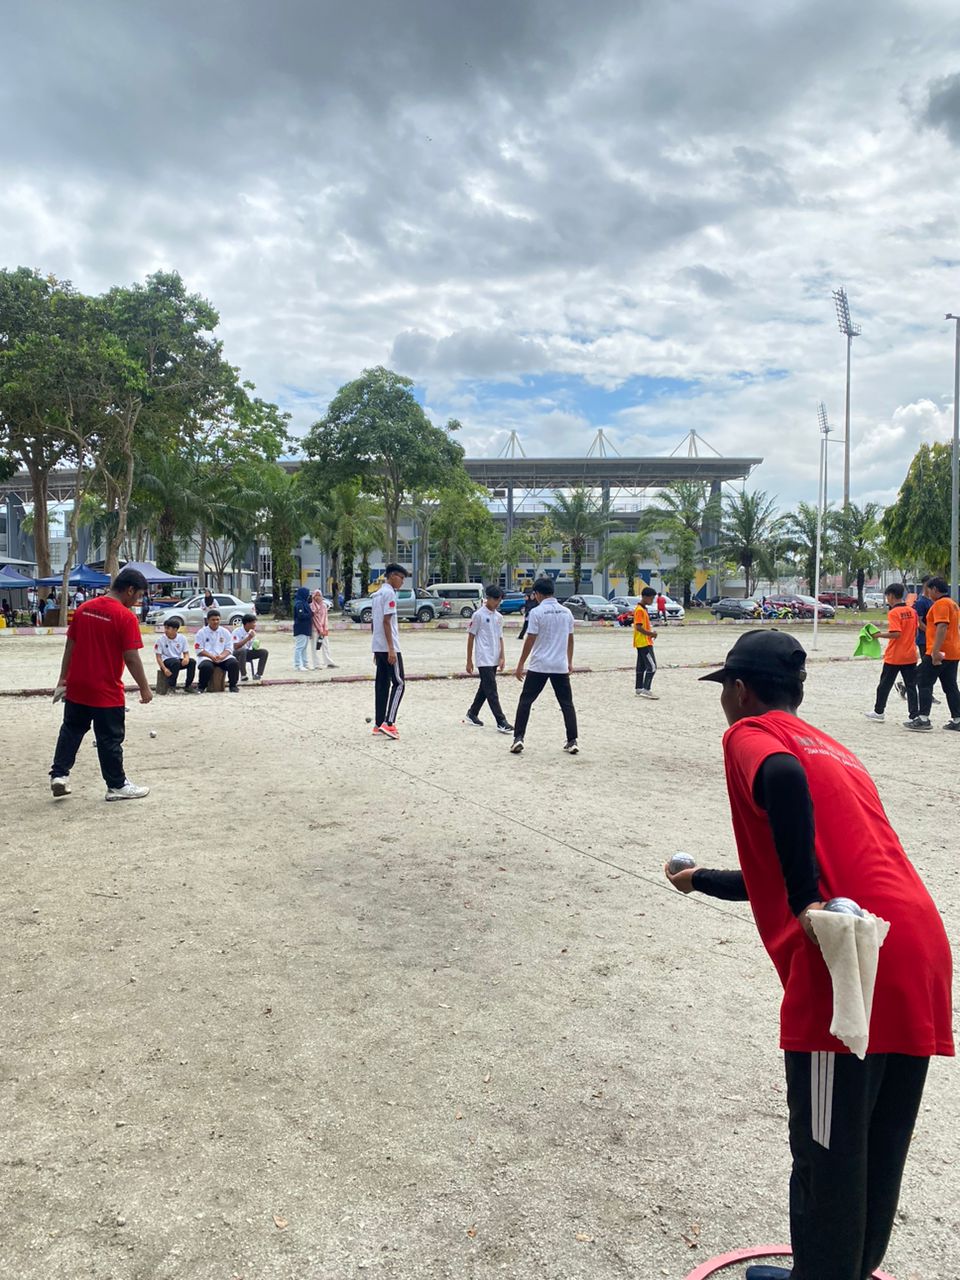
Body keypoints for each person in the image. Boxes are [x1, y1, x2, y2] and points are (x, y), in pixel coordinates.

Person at [665, 630, 953, 1280]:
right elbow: (818, 862)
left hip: (847, 959)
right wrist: (705, 878)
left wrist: (803, 905)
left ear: (739, 691)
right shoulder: (838, 753)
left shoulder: (753, 736)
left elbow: (782, 782)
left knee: (827, 1157)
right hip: (915, 946)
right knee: (878, 1152)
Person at [48, 567, 153, 801]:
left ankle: (59, 775)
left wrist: (63, 679)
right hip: (106, 690)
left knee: (71, 731)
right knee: (109, 738)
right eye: (138, 596)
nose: (137, 602)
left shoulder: (84, 609)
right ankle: (116, 786)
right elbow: (131, 657)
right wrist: (145, 688)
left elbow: (70, 647)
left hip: (77, 685)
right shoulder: (125, 617)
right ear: (129, 590)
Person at [511, 576, 578, 755]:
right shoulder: (566, 612)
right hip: (559, 664)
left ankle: (518, 738)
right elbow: (570, 639)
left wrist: (520, 663)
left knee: (525, 701)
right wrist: (569, 661)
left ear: (538, 594)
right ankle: (572, 740)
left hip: (540, 665)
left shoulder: (537, 612)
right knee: (566, 704)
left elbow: (530, 638)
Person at [905, 575, 960, 731]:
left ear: (935, 590)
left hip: (939, 651)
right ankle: (958, 719)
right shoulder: (953, 604)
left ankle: (923, 718)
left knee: (924, 682)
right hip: (953, 652)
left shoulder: (941, 604)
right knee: (950, 686)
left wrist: (935, 651)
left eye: (929, 590)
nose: (927, 593)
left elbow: (942, 626)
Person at [863, 582, 919, 723]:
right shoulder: (912, 611)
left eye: (887, 596)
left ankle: (879, 711)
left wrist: (878, 635)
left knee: (884, 685)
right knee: (911, 686)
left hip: (895, 656)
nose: (887, 599)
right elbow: (915, 631)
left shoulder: (894, 612)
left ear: (892, 596)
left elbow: (896, 633)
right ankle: (914, 715)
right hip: (910, 654)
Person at [464, 584, 513, 734]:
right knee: (491, 689)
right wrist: (469, 660)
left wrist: (502, 656)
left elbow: (500, 637)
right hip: (483, 657)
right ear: (489, 599)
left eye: (500, 600)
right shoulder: (478, 615)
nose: (498, 603)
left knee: (485, 688)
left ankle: (472, 713)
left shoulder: (499, 617)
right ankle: (501, 721)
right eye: (496, 600)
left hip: (494, 656)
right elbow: (471, 636)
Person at [370, 564, 407, 739]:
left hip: (379, 646)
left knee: (382, 684)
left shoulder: (377, 594)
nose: (402, 581)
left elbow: (374, 623)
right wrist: (391, 649)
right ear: (392, 576)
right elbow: (386, 622)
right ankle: (389, 723)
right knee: (399, 683)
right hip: (389, 647)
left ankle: (378, 724)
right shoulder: (389, 593)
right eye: (401, 577)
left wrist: (376, 649)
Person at [194, 608, 241, 692]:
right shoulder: (201, 632)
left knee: (234, 663)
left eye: (217, 619)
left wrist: (222, 656)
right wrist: (211, 656)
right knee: (206, 667)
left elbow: (229, 648)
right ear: (208, 620)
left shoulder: (225, 632)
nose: (215, 622)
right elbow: (199, 649)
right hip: (207, 657)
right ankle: (201, 687)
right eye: (213, 620)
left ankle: (233, 685)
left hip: (222, 657)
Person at [154, 618, 197, 693]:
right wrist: (164, 669)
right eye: (165, 628)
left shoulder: (182, 638)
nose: (165, 630)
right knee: (175, 662)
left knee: (192, 662)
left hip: (177, 660)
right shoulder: (160, 640)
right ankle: (172, 686)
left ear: (175, 629)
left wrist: (186, 658)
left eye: (168, 628)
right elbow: (158, 657)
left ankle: (188, 686)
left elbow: (186, 652)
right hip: (166, 661)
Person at [633, 585, 659, 699]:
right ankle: (646, 689)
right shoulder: (639, 610)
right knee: (652, 666)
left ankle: (639, 688)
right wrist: (651, 634)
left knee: (641, 666)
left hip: (641, 641)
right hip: (644, 642)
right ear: (645, 597)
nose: (652, 601)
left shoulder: (642, 609)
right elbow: (638, 627)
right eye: (651, 598)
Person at [233, 613, 269, 681]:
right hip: (237, 653)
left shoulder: (252, 632)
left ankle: (258, 674)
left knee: (264, 652)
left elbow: (252, 646)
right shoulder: (237, 632)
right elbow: (236, 646)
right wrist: (248, 638)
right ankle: (243, 675)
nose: (255, 624)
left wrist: (256, 644)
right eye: (253, 623)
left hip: (247, 652)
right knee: (243, 650)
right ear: (247, 623)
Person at [309, 589, 337, 669]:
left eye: (319, 595)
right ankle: (316, 664)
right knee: (314, 647)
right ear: (313, 597)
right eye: (316, 595)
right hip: (314, 629)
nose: (318, 597)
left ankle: (329, 662)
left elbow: (325, 619)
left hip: (323, 629)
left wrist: (324, 629)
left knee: (326, 646)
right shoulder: (311, 606)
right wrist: (319, 629)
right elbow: (314, 619)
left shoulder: (324, 606)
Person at [292, 586, 313, 672]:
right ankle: (298, 665)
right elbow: (301, 615)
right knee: (299, 647)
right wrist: (310, 615)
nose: (309, 596)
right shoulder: (299, 604)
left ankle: (305, 664)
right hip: (301, 628)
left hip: (306, 628)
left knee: (304, 647)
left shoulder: (304, 603)